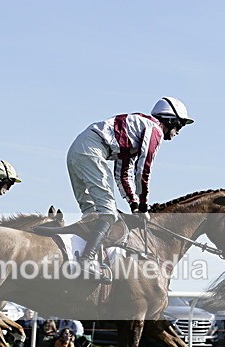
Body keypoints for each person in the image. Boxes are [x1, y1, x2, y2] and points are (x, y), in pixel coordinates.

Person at [66, 97, 194, 278]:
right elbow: (144, 170)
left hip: (77, 150)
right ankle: (86, 261)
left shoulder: (135, 133)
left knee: (91, 213)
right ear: (170, 120)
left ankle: (83, 260)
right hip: (92, 151)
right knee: (108, 213)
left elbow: (123, 174)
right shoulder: (154, 130)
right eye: (179, 126)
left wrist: (133, 204)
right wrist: (143, 205)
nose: (178, 132)